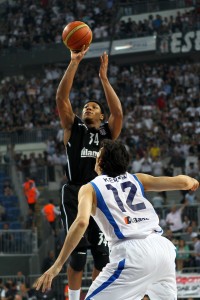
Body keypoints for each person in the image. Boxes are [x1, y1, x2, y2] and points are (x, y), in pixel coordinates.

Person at [34, 139, 199, 300]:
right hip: (163, 249)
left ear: (100, 162)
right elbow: (184, 182)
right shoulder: (137, 179)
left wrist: (57, 265)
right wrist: (191, 181)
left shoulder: (89, 188)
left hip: (132, 253)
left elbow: (82, 222)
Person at [56, 45, 123, 300]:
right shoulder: (74, 129)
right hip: (75, 191)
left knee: (103, 256)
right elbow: (61, 99)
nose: (88, 108)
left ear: (101, 115)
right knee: (78, 252)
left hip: (101, 194)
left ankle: (94, 296)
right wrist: (74, 62)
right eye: (86, 107)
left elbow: (118, 113)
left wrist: (104, 79)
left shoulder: (107, 133)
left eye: (93, 107)